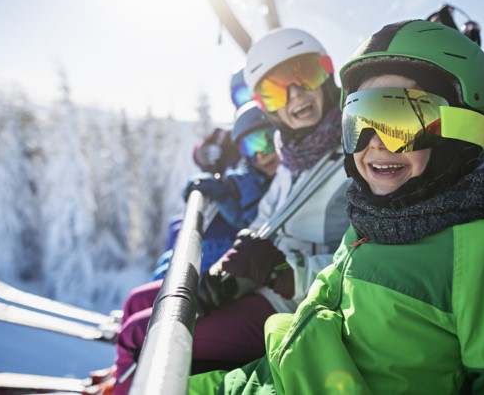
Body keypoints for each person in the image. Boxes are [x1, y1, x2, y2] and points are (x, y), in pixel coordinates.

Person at [189, 20, 484, 394]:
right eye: (359, 120)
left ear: (461, 128)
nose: (375, 142)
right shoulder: (370, 220)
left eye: (400, 120)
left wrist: (280, 277)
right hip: (276, 372)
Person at [106, 28, 350, 395]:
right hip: (261, 286)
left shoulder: (354, 157)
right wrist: (230, 271)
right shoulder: (292, 155)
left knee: (147, 335)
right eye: (275, 89)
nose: (295, 93)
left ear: (327, 73)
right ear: (266, 105)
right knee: (141, 303)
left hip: (292, 303)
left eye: (305, 74)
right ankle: (120, 383)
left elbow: (356, 261)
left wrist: (282, 272)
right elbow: (261, 223)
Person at [152, 101, 279, 280]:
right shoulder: (247, 168)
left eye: (268, 142)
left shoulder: (282, 177)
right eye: (251, 147)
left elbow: (254, 222)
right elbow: (204, 152)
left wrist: (224, 196)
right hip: (229, 239)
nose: (261, 154)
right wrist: (204, 156)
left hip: (238, 251)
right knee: (174, 244)